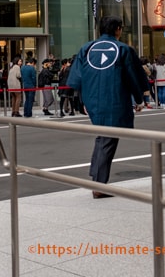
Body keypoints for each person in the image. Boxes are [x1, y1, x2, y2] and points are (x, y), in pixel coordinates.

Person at [67, 16, 149, 199]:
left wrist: (82, 102)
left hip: (92, 100)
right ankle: (99, 184)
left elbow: (77, 78)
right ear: (118, 29)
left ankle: (96, 177)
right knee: (108, 139)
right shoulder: (123, 49)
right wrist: (139, 99)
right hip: (114, 99)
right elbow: (133, 77)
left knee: (103, 137)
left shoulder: (86, 48)